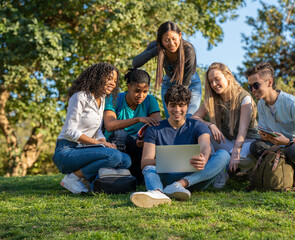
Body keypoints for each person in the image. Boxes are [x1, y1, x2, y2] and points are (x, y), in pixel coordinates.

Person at [130, 85, 230, 208]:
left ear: (187, 106)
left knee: (224, 155)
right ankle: (157, 193)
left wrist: (203, 158)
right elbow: (145, 162)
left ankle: (179, 185)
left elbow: (205, 146)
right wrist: (173, 161)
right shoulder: (154, 129)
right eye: (172, 105)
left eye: (181, 105)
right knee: (149, 169)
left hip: (194, 179)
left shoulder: (198, 125)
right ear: (166, 106)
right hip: (165, 178)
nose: (177, 110)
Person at [244, 62, 295, 191]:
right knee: (256, 146)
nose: (253, 90)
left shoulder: (291, 102)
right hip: (283, 146)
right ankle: (277, 172)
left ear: (270, 82)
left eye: (256, 85)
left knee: (294, 150)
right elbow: (264, 133)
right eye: (250, 87)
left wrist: (288, 141)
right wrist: (265, 137)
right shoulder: (261, 105)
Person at [53, 63, 131, 194]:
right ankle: (73, 178)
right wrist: (99, 144)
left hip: (86, 149)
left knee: (126, 160)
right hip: (67, 151)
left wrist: (104, 142)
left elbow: (97, 130)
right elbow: (69, 131)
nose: (113, 83)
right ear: (97, 77)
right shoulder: (80, 97)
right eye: (109, 78)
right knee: (114, 156)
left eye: (115, 81)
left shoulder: (102, 99)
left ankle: (90, 182)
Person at [192, 62, 259, 188]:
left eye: (217, 79)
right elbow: (194, 118)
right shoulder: (213, 99)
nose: (214, 85)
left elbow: (242, 131)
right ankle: (221, 171)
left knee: (245, 159)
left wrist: (235, 153)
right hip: (227, 143)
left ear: (228, 76)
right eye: (211, 81)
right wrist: (210, 124)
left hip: (247, 144)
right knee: (203, 129)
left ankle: (239, 168)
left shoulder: (244, 98)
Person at [132, 21, 201, 118]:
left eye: (174, 39)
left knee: (188, 118)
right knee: (172, 119)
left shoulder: (188, 50)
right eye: (167, 40)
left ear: (180, 35)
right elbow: (135, 63)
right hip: (169, 82)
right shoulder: (156, 46)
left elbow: (184, 85)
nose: (171, 44)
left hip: (189, 83)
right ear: (161, 40)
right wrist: (157, 50)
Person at [103, 68, 161, 183]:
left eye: (145, 91)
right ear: (129, 86)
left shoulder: (150, 100)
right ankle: (116, 174)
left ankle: (136, 177)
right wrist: (138, 119)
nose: (141, 95)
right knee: (120, 134)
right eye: (137, 91)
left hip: (139, 146)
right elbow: (109, 125)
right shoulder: (114, 98)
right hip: (117, 146)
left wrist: (145, 140)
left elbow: (157, 126)